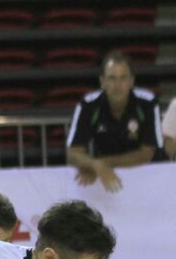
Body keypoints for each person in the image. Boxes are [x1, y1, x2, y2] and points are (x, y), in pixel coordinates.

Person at [66, 51, 162, 193]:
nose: (118, 85)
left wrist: (100, 165)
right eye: (112, 78)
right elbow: (72, 153)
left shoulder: (148, 102)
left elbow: (146, 154)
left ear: (132, 81)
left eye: (123, 78)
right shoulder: (88, 104)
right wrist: (94, 164)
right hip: (106, 182)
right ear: (102, 81)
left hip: (150, 179)